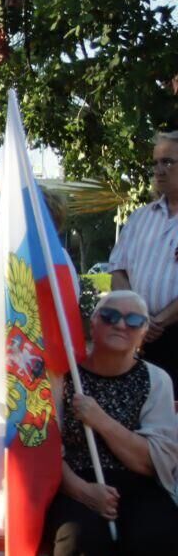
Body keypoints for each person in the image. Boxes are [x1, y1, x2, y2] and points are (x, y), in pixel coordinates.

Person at [45, 291, 178, 556]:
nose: (122, 324)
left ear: (144, 330)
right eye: (111, 316)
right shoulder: (63, 375)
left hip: (139, 482)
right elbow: (41, 449)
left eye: (134, 320)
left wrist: (100, 419)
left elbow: (152, 460)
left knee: (158, 536)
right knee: (79, 538)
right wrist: (81, 491)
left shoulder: (157, 380)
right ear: (94, 322)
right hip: (71, 481)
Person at [107, 130, 178, 387]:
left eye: (168, 162)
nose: (159, 170)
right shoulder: (140, 219)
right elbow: (118, 270)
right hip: (138, 336)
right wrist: (138, 316)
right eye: (156, 163)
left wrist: (159, 320)